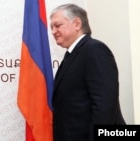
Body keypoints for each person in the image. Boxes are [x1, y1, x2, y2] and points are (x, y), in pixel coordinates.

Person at [50, 3, 126, 141]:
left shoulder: (94, 50)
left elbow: (105, 105)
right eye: (51, 27)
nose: (53, 31)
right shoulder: (71, 55)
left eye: (57, 25)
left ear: (77, 24)